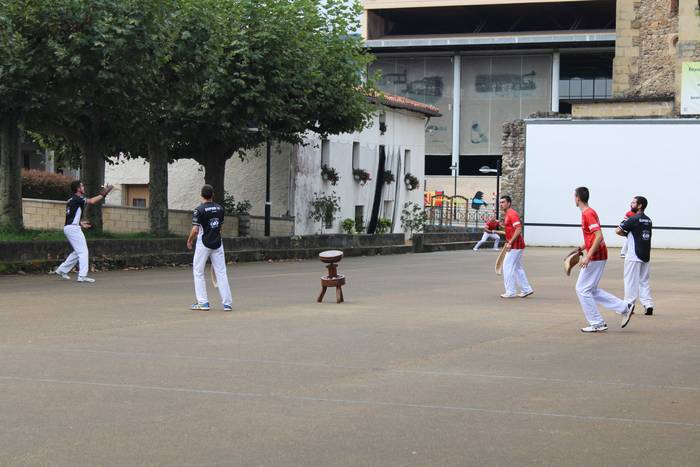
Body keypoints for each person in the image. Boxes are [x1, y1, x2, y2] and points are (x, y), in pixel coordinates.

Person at [573, 187, 634, 332]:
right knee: (590, 290)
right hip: (596, 255)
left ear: (578, 198)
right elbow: (593, 236)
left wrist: (587, 256)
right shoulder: (587, 213)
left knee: (582, 289)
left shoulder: (588, 213)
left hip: (596, 256)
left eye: (574, 196)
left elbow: (599, 236)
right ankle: (625, 307)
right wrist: (582, 248)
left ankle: (597, 323)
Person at [53, 180, 113, 283]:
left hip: (69, 227)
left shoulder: (71, 200)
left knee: (77, 251)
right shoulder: (78, 199)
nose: (84, 187)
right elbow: (92, 201)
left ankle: (62, 270)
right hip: (73, 229)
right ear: (78, 189)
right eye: (82, 186)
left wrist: (80, 223)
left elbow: (71, 216)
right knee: (83, 251)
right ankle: (82, 276)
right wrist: (104, 193)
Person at [187, 184, 233, 311]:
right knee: (221, 272)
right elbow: (220, 228)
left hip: (203, 243)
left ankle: (203, 302)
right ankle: (227, 303)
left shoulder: (199, 210)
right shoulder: (220, 208)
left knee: (198, 271)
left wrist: (189, 240)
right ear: (213, 195)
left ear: (201, 195)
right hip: (218, 243)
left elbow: (195, 229)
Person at [616, 196, 654, 315]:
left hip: (633, 255)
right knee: (644, 281)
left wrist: (626, 233)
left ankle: (628, 306)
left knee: (630, 281)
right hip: (645, 255)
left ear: (640, 205)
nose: (631, 204)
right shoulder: (648, 220)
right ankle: (648, 305)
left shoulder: (633, 219)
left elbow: (618, 230)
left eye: (633, 203)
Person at [498, 195, 534, 298]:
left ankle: (510, 291)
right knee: (517, 268)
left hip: (515, 246)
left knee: (507, 267)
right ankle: (527, 289)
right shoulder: (508, 214)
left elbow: (518, 229)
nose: (501, 204)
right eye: (500, 202)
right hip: (516, 245)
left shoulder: (512, 214)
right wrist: (503, 226)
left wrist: (510, 243)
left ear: (509, 203)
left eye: (503, 202)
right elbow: (512, 228)